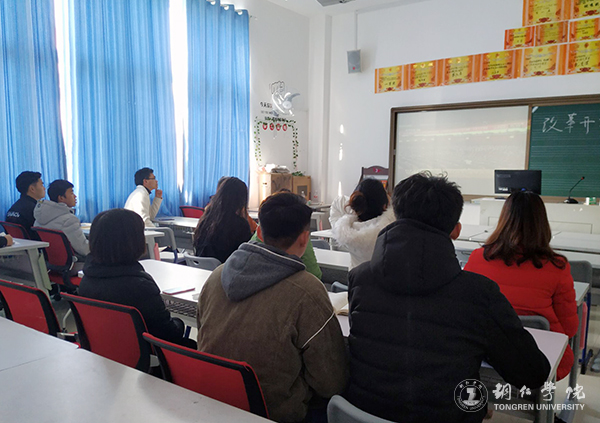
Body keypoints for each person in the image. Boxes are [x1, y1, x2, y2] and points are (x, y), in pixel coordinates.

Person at [347, 172, 550, 423]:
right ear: (456, 230)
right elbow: (532, 374)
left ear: (395, 217)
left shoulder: (359, 279)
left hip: (361, 415)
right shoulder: (480, 294)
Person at [196, 192, 347, 423]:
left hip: (212, 402)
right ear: (304, 239)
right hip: (274, 412)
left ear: (258, 232)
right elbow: (330, 381)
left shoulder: (216, 276)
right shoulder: (307, 291)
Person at [465, 191, 578, 381]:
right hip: (539, 358)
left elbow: (465, 309)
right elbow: (570, 328)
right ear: (542, 223)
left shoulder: (478, 258)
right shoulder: (557, 266)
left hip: (483, 352)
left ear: (503, 220)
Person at [79, 209, 193, 347]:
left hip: (107, 349)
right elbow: (169, 334)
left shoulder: (86, 280)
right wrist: (179, 322)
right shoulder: (141, 287)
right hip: (149, 354)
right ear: (133, 242)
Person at [251, 190, 322, 280]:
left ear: (259, 233)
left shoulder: (236, 266)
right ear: (304, 238)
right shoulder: (308, 286)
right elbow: (315, 274)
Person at [330, 178, 395, 269]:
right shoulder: (390, 230)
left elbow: (337, 203)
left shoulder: (345, 232)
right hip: (383, 278)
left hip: (354, 277)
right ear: (384, 205)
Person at [193, 177, 252, 263]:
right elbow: (244, 255)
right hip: (225, 269)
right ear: (241, 200)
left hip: (202, 268)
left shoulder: (205, 219)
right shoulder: (240, 225)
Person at [34, 180, 89, 258]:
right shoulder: (69, 220)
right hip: (76, 260)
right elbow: (84, 249)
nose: (75, 196)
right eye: (71, 193)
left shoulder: (39, 219)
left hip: (50, 260)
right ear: (61, 198)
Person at [6, 171, 46, 239]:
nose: (44, 188)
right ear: (32, 189)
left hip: (16, 244)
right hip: (34, 244)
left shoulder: (13, 208)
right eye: (41, 185)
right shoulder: (36, 210)